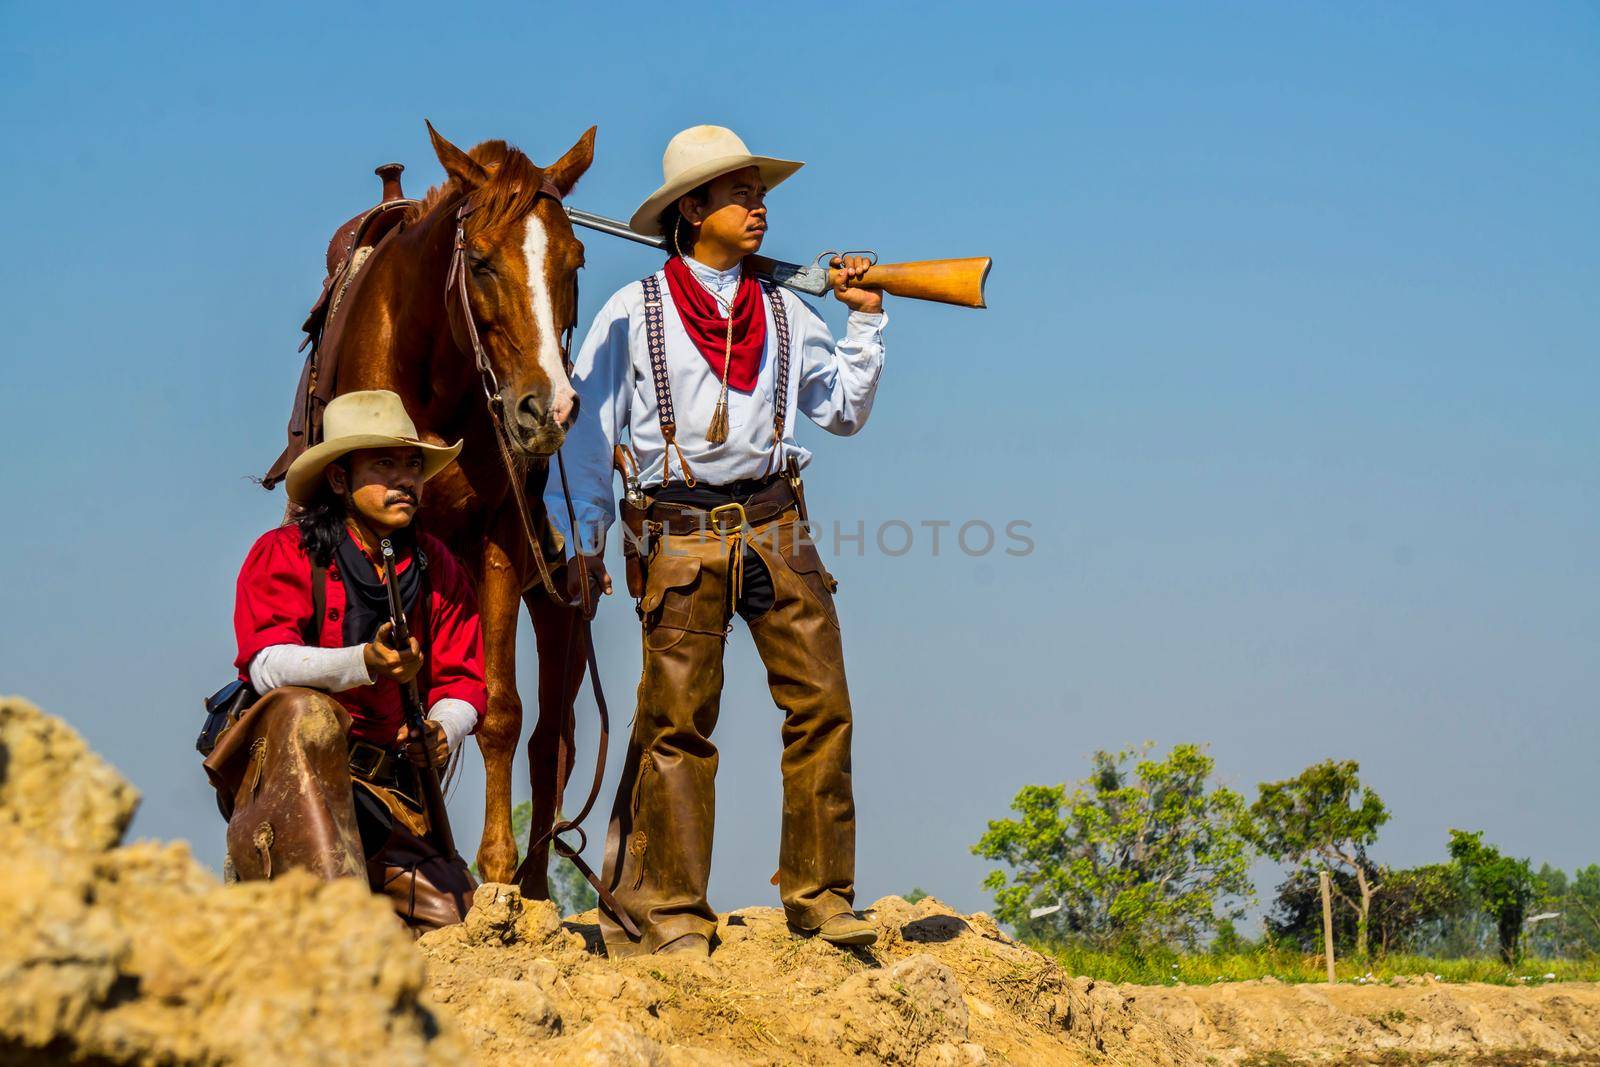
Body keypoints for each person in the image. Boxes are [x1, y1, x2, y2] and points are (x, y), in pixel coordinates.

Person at [547, 125, 887, 957]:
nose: (759, 207)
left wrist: (867, 323)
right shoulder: (635, 311)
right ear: (692, 209)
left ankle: (820, 895)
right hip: (678, 531)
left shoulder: (784, 307)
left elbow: (840, 409)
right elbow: (588, 435)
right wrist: (584, 541)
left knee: (822, 706)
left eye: (759, 193)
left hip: (778, 524)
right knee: (677, 723)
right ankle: (670, 912)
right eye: (740, 194)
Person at [206, 389, 485, 933]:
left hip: (387, 797)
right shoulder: (283, 552)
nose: (405, 479)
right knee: (304, 712)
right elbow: (266, 665)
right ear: (338, 479)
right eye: (383, 463)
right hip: (291, 785)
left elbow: (463, 680)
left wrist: (443, 728)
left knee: (459, 923)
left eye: (411, 465)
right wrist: (365, 662)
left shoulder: (440, 569)